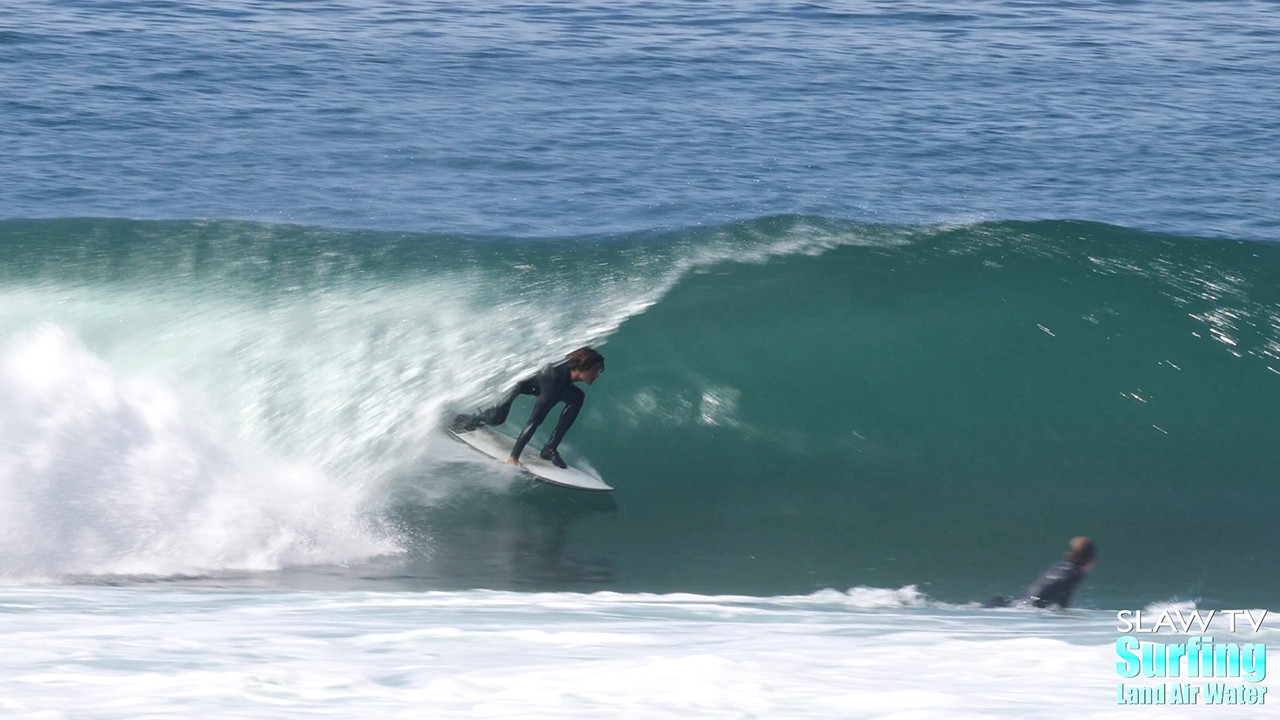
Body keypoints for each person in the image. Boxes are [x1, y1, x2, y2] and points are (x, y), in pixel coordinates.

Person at [451, 347, 605, 468]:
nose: (597, 376)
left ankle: (550, 448)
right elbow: (534, 421)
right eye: (595, 371)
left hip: (542, 383)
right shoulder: (553, 382)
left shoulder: (566, 375)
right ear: (582, 368)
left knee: (577, 397)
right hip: (515, 382)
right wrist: (514, 457)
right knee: (497, 418)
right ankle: (469, 420)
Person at [984, 536, 1098, 609]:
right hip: (1029, 608)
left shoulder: (1059, 566)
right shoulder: (1075, 574)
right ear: (1091, 560)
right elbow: (1062, 602)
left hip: (1011, 603)